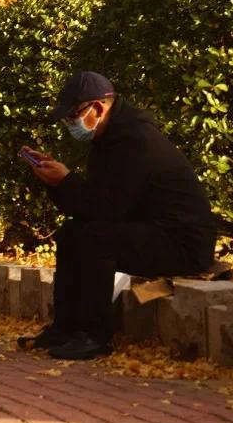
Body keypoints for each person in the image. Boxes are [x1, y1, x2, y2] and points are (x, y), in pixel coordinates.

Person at [18, 70, 217, 361]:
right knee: (72, 233)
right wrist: (57, 184)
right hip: (151, 230)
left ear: (97, 108)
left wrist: (66, 181)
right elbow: (90, 207)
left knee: (97, 238)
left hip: (183, 243)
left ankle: (94, 335)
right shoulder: (107, 140)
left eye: (73, 115)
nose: (70, 124)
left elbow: (107, 209)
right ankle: (65, 328)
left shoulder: (136, 140)